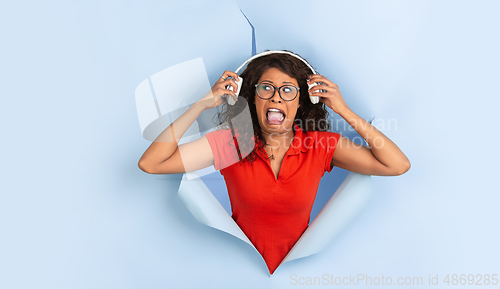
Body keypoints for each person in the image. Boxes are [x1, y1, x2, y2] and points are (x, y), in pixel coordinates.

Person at [138, 51, 411, 274]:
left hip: (302, 274)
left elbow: (397, 165)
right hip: (236, 274)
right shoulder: (231, 143)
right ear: (251, 98)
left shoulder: (320, 145)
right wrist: (200, 105)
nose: (276, 97)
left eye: (288, 90)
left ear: (303, 100)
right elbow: (151, 163)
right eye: (266, 88)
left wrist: (342, 109)